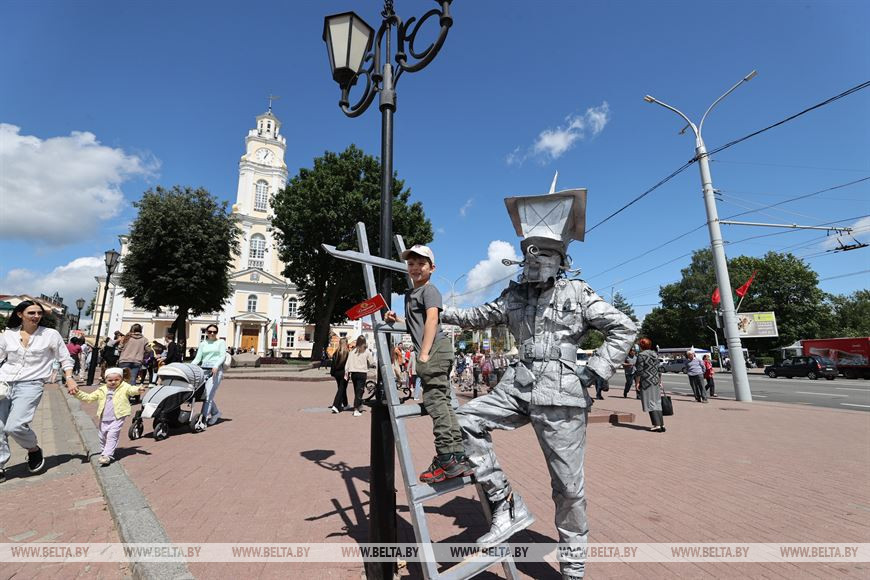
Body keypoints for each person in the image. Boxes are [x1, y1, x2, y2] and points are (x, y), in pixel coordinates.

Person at [441, 188, 636, 579]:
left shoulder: (578, 293)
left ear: (561, 260)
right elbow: (476, 317)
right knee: (463, 420)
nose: (535, 260)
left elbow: (624, 327)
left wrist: (596, 369)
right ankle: (505, 503)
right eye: (530, 253)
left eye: (544, 253)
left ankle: (573, 569)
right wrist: (434, 310)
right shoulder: (512, 295)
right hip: (518, 385)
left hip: (562, 394)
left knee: (568, 488)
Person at [385, 244, 470, 484]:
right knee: (444, 403)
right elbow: (416, 325)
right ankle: (457, 456)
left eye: (421, 263)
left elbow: (432, 320)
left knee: (435, 403)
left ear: (432, 268)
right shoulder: (411, 294)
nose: (415, 268)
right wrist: (397, 319)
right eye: (411, 263)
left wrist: (423, 354)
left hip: (434, 350)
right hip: (435, 349)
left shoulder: (429, 290)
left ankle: (446, 459)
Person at [0, 301, 77, 483]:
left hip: (31, 384)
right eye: (31, 313)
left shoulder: (50, 334)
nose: (36, 316)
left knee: (15, 425)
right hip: (3, 382)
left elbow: (65, 358)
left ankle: (33, 449)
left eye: (39, 313)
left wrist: (69, 377)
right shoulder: (8, 335)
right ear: (20, 314)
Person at [69, 367, 144, 465]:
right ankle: (104, 451)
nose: (113, 382)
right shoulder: (102, 390)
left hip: (118, 416)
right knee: (102, 436)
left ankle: (107, 455)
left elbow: (131, 390)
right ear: (105, 380)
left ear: (121, 379)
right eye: (110, 380)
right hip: (104, 417)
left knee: (112, 435)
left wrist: (138, 389)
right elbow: (89, 398)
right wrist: (77, 393)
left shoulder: (124, 387)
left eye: (116, 380)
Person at [191, 324, 227, 429]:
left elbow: (222, 356)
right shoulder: (203, 343)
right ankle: (216, 413)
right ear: (206, 332)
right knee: (204, 394)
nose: (212, 333)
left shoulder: (220, 342)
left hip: (215, 371)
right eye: (210, 331)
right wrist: (190, 367)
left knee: (208, 396)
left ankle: (203, 420)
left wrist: (216, 365)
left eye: (214, 332)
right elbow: (198, 358)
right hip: (203, 369)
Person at [634, 338, 665, 432]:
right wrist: (660, 381)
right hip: (655, 381)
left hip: (646, 382)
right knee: (657, 403)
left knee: (650, 402)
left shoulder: (641, 355)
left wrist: (637, 382)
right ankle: (661, 424)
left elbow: (639, 371)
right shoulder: (655, 354)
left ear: (641, 346)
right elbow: (659, 369)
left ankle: (657, 425)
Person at [345, 336, 375, 416]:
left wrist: (347, 370)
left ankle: (359, 405)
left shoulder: (353, 351)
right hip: (362, 373)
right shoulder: (366, 351)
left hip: (354, 373)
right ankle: (356, 409)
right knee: (360, 391)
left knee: (357, 390)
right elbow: (372, 362)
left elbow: (348, 362)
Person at [329, 338, 350, 413]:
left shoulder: (336, 352)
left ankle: (345, 404)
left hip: (336, 373)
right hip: (344, 373)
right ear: (346, 343)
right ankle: (336, 405)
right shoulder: (347, 353)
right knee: (341, 389)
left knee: (342, 388)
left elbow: (333, 363)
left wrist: (332, 372)